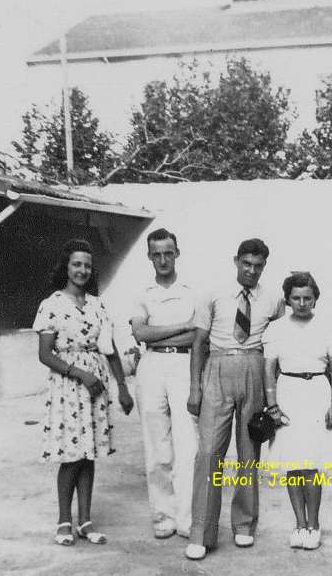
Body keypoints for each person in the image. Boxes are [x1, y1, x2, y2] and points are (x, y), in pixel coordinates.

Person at [184, 238, 285, 560]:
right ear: (236, 261)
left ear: (264, 267)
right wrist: (195, 388)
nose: (251, 271)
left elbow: (280, 345)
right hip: (217, 367)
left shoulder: (273, 299)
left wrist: (273, 393)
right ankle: (201, 531)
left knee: (248, 453)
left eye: (258, 266)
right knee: (209, 453)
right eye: (246, 264)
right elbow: (198, 342)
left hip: (254, 368)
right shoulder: (212, 293)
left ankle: (244, 525)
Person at [33, 239, 135, 547]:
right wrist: (80, 373)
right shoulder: (51, 304)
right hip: (69, 385)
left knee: (89, 454)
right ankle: (64, 520)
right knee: (72, 455)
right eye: (77, 264)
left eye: (87, 266)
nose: (82, 270)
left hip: (96, 385)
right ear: (66, 266)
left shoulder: (97, 305)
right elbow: (45, 354)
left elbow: (110, 348)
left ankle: (86, 520)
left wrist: (122, 387)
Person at [262, 272, 332, 550]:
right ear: (287, 299)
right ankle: (299, 523)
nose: (301, 303)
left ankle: (314, 524)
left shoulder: (328, 325)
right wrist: (272, 405)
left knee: (312, 464)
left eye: (307, 298)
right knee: (292, 464)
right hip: (288, 393)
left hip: (317, 393)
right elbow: (268, 369)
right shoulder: (276, 329)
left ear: (315, 298)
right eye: (296, 298)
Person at [129, 228, 199, 539]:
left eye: (168, 252)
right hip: (152, 364)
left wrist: (163, 330)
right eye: (156, 254)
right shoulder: (142, 293)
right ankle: (163, 516)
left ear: (177, 253)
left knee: (188, 444)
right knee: (157, 445)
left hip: (184, 364)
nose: (162, 259)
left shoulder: (191, 291)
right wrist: (183, 325)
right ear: (149, 257)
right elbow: (141, 335)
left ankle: (187, 518)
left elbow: (198, 336)